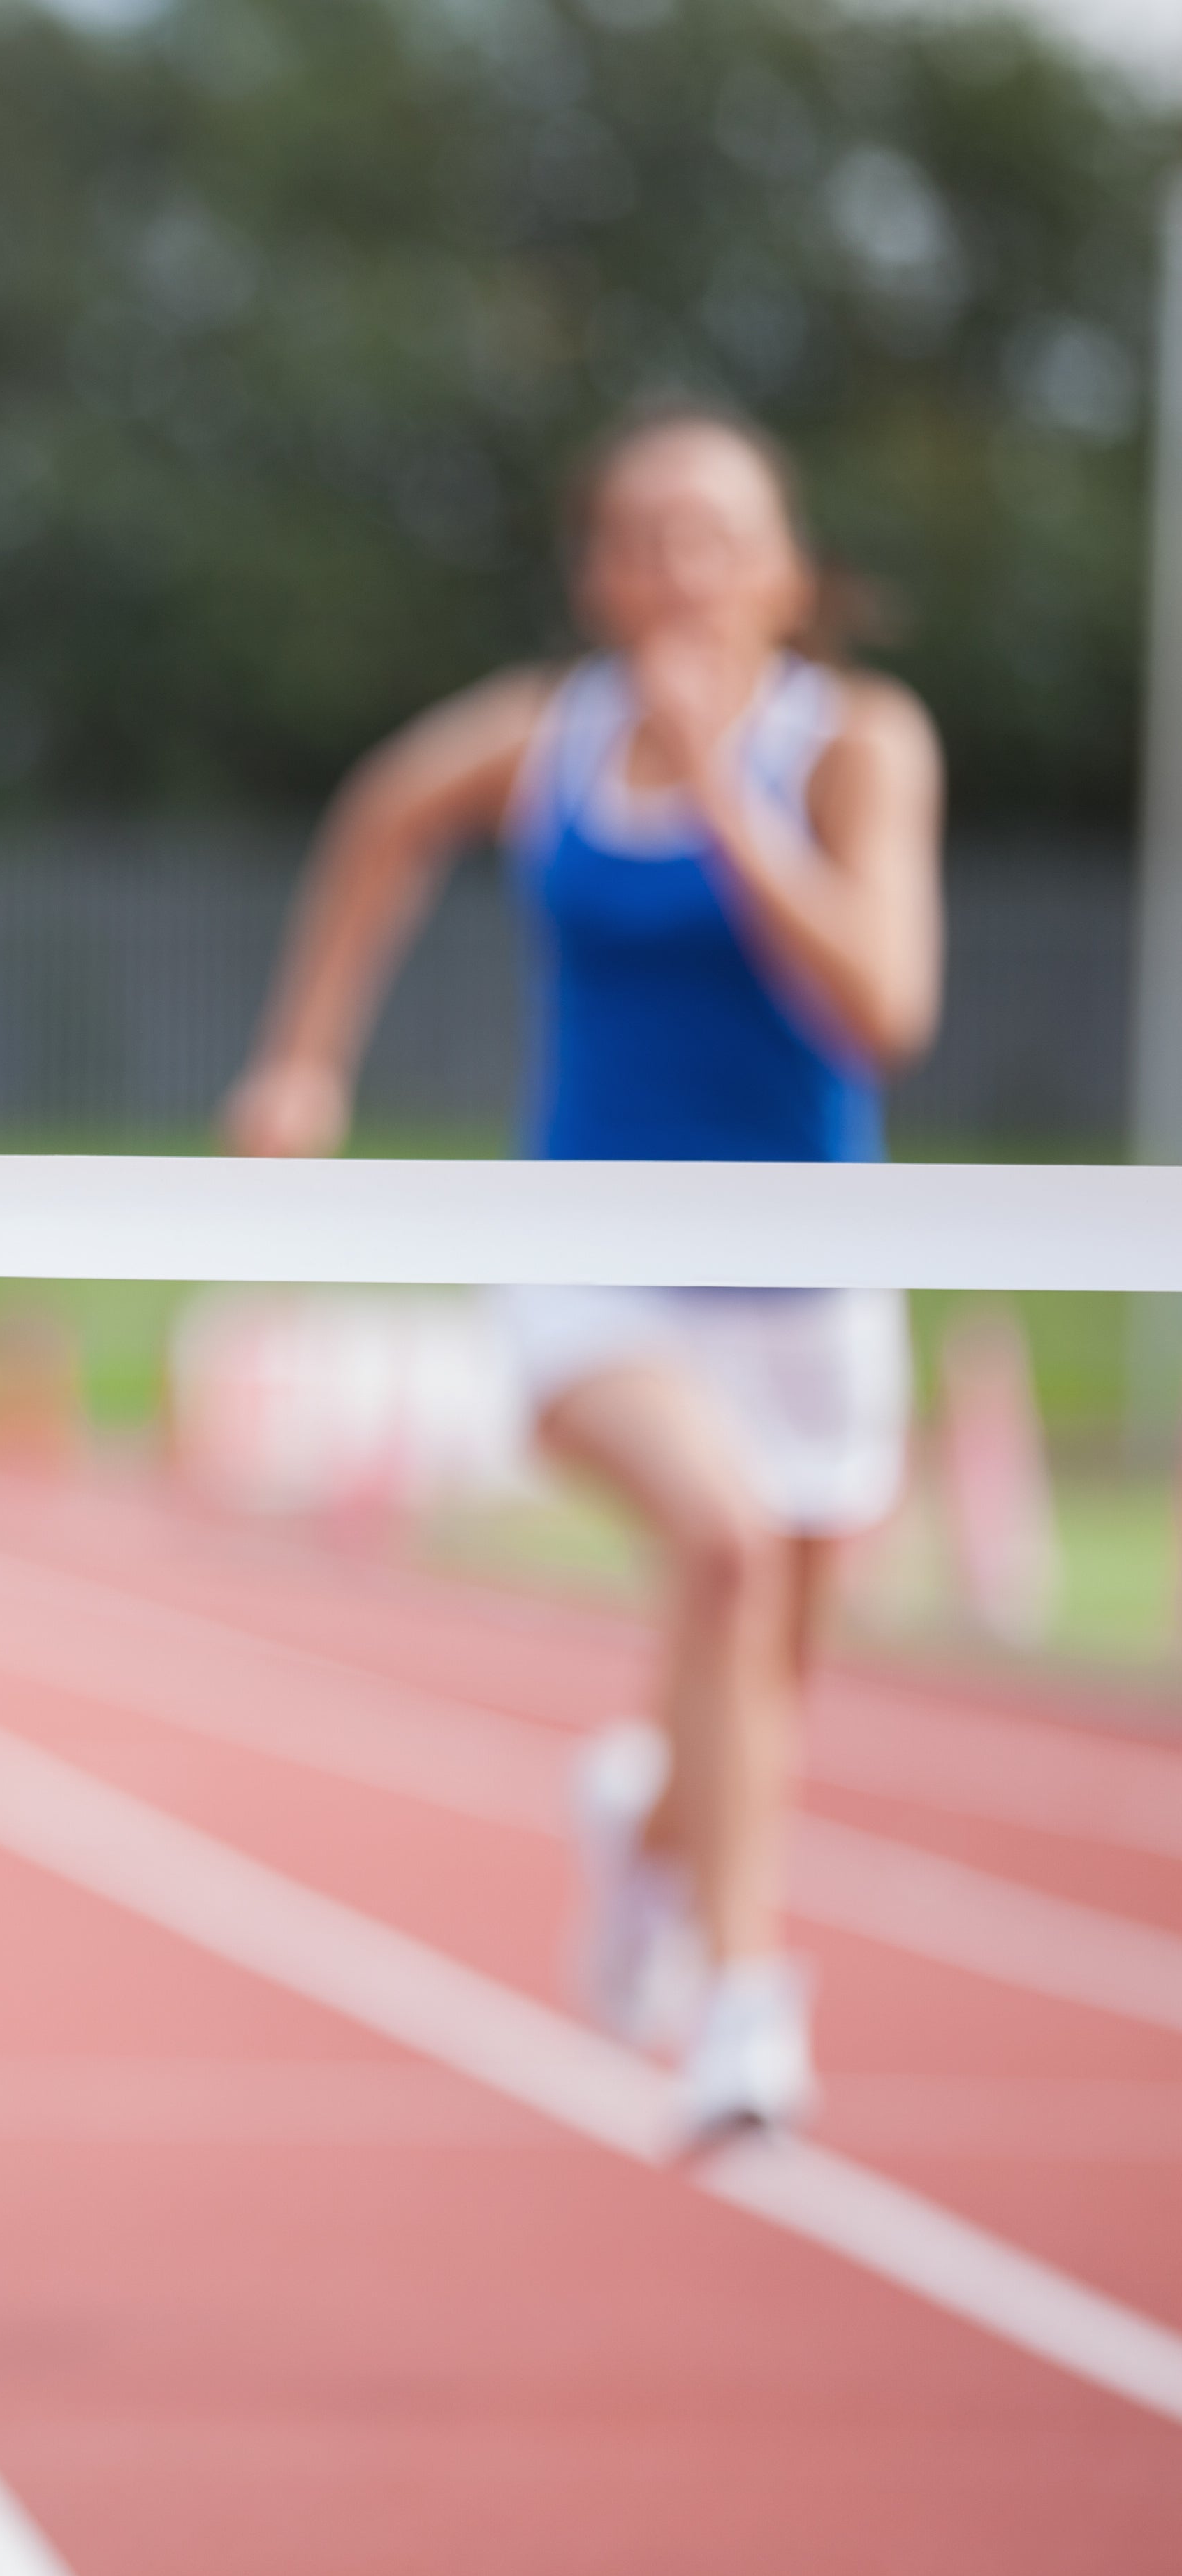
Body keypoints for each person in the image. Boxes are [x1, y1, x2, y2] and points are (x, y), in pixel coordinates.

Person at [226, 402, 942, 2146]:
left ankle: (646, 1827)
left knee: (759, 1677)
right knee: (723, 1546)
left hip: (813, 1276)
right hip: (590, 1261)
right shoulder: (544, 739)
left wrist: (725, 799)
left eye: (718, 532)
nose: (680, 565)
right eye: (644, 534)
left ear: (787, 569)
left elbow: (884, 1009)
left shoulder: (854, 743)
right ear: (600, 570)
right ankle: (751, 2005)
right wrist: (304, 1055)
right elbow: (380, 821)